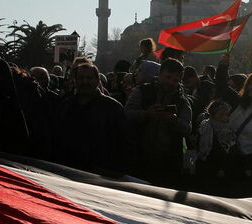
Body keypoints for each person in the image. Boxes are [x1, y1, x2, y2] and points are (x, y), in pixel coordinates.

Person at [49, 60, 131, 176]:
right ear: (75, 81)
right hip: (67, 170)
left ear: (97, 81)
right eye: (81, 78)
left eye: (89, 78)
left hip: (101, 174)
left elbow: (123, 144)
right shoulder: (64, 106)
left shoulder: (113, 109)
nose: (85, 81)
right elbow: (55, 138)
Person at [125, 56, 192, 184]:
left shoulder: (183, 101)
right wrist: (146, 113)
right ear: (160, 74)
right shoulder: (142, 91)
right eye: (168, 77)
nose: (171, 82)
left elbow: (188, 129)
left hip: (167, 163)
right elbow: (127, 115)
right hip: (138, 157)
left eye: (175, 80)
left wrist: (175, 121)